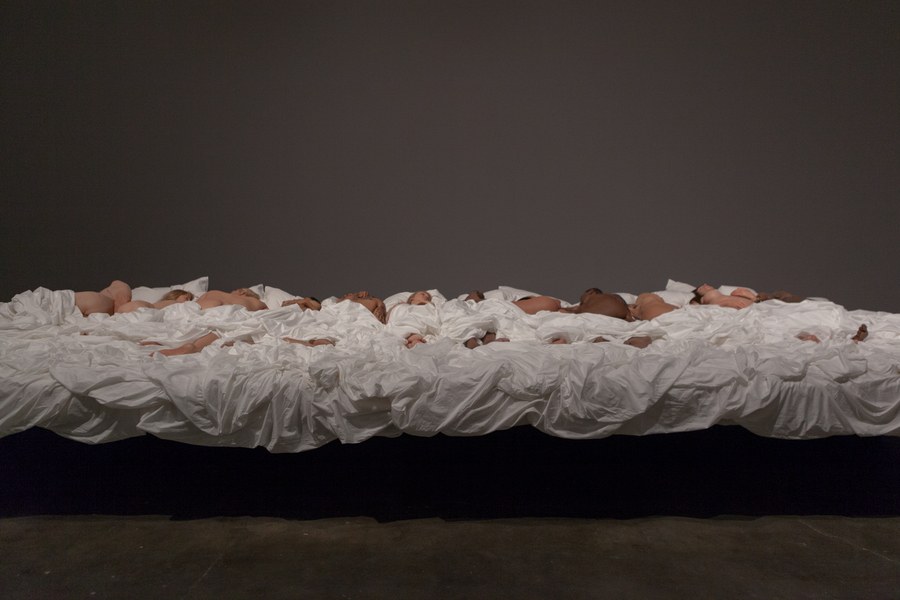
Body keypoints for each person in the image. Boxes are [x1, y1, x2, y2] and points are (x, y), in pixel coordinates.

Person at [116, 289, 194, 313]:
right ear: (176, 294)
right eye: (186, 298)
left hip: (130, 307)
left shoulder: (162, 304)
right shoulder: (176, 303)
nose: (188, 302)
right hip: (140, 307)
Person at [195, 288, 268, 311]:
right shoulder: (254, 302)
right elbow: (267, 313)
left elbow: (193, 305)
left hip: (200, 308)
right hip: (218, 313)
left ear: (242, 292)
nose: (232, 292)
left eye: (235, 290)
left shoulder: (212, 292)